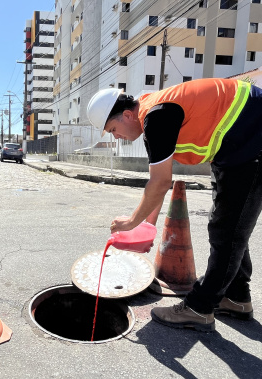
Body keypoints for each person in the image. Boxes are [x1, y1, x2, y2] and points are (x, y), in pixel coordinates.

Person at [87, 78, 262, 332]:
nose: (116, 137)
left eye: (113, 129)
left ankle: (199, 308)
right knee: (228, 225)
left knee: (227, 232)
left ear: (126, 115)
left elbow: (160, 183)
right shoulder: (152, 116)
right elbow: (158, 182)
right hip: (234, 149)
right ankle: (236, 296)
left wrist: (131, 223)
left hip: (252, 138)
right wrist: (148, 228)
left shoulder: (156, 116)